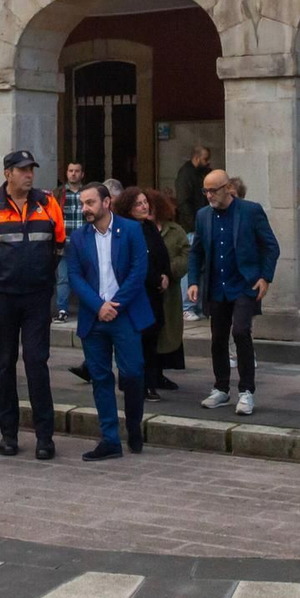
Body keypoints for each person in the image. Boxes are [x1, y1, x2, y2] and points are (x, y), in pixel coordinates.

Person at [0, 150, 66, 459]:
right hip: (2, 298)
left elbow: (58, 247)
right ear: (8, 173)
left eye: (31, 169)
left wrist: (42, 279)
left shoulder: (48, 203)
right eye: (22, 170)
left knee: (37, 363)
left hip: (36, 298)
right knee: (4, 363)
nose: (29, 174)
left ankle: (44, 437)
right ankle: (8, 433)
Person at [65, 183, 153, 460]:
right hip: (94, 317)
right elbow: (75, 276)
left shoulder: (130, 230)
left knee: (133, 373)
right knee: (100, 377)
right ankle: (110, 438)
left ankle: (134, 426)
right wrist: (98, 305)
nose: (85, 209)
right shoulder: (78, 238)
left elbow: (139, 270)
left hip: (124, 314)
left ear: (107, 203)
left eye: (90, 203)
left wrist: (116, 304)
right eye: (83, 204)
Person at [187, 168, 279, 416]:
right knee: (217, 337)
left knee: (240, 331)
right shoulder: (203, 216)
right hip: (217, 286)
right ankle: (221, 388)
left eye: (213, 190)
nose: (209, 195)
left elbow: (271, 246)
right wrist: (193, 281)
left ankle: (247, 391)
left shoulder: (250, 211)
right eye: (205, 190)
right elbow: (196, 252)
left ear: (228, 188)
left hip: (244, 284)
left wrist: (265, 277)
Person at [117, 187, 172, 399]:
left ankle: (149, 381)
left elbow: (161, 253)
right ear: (129, 208)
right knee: (135, 341)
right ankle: (135, 382)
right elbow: (134, 261)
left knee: (151, 338)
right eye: (139, 204)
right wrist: (154, 277)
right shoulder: (125, 229)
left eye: (145, 202)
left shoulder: (149, 227)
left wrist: (165, 274)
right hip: (136, 292)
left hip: (154, 292)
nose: (144, 206)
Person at [151, 188, 190, 385]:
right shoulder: (135, 229)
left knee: (167, 331)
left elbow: (186, 255)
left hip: (169, 293)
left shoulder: (175, 231)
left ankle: (159, 373)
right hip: (147, 291)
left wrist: (169, 271)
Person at [55, 161, 85, 322]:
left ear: (82, 174)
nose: (73, 174)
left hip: (84, 242)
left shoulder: (88, 193)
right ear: (66, 173)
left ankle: (86, 307)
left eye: (77, 171)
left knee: (86, 276)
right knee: (63, 277)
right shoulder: (58, 193)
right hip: (64, 242)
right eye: (70, 170)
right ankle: (62, 309)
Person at [174, 145, 211, 233]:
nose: (208, 162)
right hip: (192, 224)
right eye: (205, 159)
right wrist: (193, 225)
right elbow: (183, 201)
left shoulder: (204, 172)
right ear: (196, 158)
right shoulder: (186, 174)